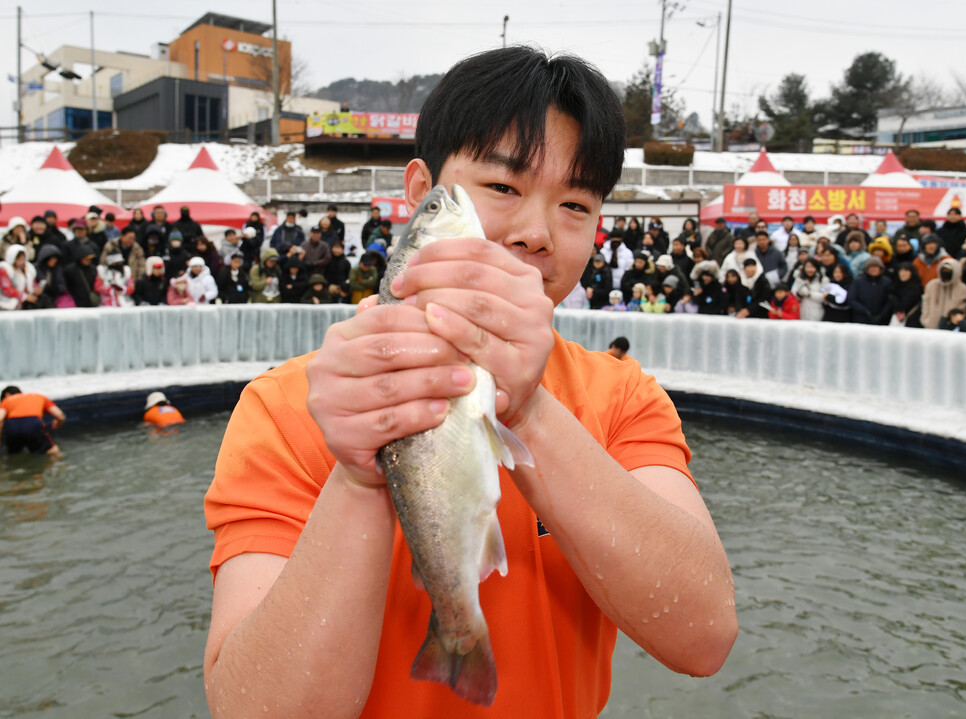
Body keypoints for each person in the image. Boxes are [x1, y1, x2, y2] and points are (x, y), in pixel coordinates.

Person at [204, 49, 735, 718]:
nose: (536, 233)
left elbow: (703, 635)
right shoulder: (284, 408)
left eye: (574, 204)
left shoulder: (621, 395)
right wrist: (358, 476)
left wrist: (531, 409)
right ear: (420, 188)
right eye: (503, 188)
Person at [0, 386, 64, 455]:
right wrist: (57, 424)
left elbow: (0, 419)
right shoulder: (39, 396)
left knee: (15, 454)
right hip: (33, 424)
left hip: (12, 427)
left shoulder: (6, 400)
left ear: (7, 395)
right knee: (52, 451)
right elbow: (60, 415)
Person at [920, 258, 966, 330]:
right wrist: (926, 320)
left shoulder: (962, 288)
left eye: (948, 270)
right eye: (944, 270)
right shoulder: (932, 285)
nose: (946, 272)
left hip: (950, 327)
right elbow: (926, 303)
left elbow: (961, 307)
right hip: (930, 326)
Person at [848, 256, 893, 325]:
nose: (873, 269)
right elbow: (852, 299)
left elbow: (890, 300)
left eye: (876, 267)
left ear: (880, 268)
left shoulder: (887, 282)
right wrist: (865, 311)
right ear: (867, 268)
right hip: (860, 319)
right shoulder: (858, 281)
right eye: (871, 267)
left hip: (881, 320)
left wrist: (882, 314)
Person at [0, 245, 40, 311]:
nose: (21, 262)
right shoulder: (5, 269)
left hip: (23, 304)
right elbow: (6, 290)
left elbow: (32, 283)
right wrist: (24, 296)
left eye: (23, 259)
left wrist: (35, 290)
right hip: (6, 304)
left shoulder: (28, 269)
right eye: (19, 259)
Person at [889, 262, 923, 328]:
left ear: (912, 272)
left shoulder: (915, 288)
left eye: (906, 270)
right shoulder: (896, 286)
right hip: (898, 321)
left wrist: (892, 297)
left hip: (912, 322)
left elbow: (902, 306)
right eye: (900, 270)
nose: (903, 273)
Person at [33, 245, 65, 309]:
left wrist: (55, 289)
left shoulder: (57, 269)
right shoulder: (36, 268)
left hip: (54, 300)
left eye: (56, 258)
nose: (54, 260)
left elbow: (62, 286)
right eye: (52, 258)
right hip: (38, 301)